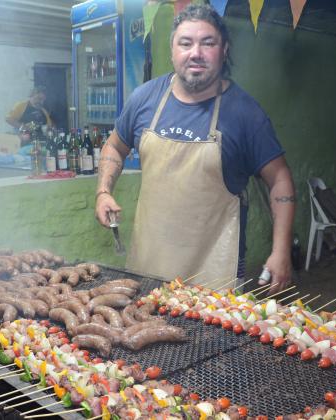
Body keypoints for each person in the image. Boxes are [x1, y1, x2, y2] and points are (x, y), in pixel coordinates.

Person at [93, 4, 295, 294]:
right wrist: (103, 191)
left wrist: (281, 251)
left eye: (208, 43)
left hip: (214, 274)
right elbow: (114, 146)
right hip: (148, 266)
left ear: (223, 50)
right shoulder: (145, 99)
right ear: (173, 49)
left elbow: (280, 180)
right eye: (185, 43)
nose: (195, 53)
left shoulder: (245, 114)